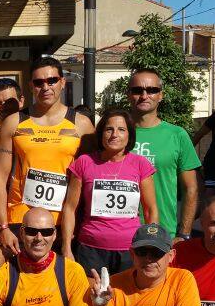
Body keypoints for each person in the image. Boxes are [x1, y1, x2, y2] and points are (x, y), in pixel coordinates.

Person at [0, 59, 94, 261]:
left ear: (62, 82)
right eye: (39, 82)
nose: (45, 87)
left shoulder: (82, 124)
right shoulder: (13, 123)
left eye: (52, 80)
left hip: (63, 223)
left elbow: (90, 180)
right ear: (31, 86)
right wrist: (2, 226)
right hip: (20, 221)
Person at [61, 108, 158, 273]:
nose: (114, 134)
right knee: (92, 298)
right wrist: (66, 247)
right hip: (91, 249)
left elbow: (151, 210)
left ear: (129, 135)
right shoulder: (84, 162)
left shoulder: (140, 164)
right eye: (109, 129)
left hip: (131, 250)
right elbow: (70, 208)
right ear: (101, 133)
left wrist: (151, 244)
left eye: (121, 130)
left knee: (125, 298)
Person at [128, 69, 201, 240]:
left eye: (152, 90)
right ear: (128, 94)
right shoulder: (116, 134)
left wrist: (184, 234)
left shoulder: (177, 135)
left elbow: (191, 188)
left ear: (161, 95)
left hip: (162, 234)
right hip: (119, 233)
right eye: (137, 90)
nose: (144, 95)